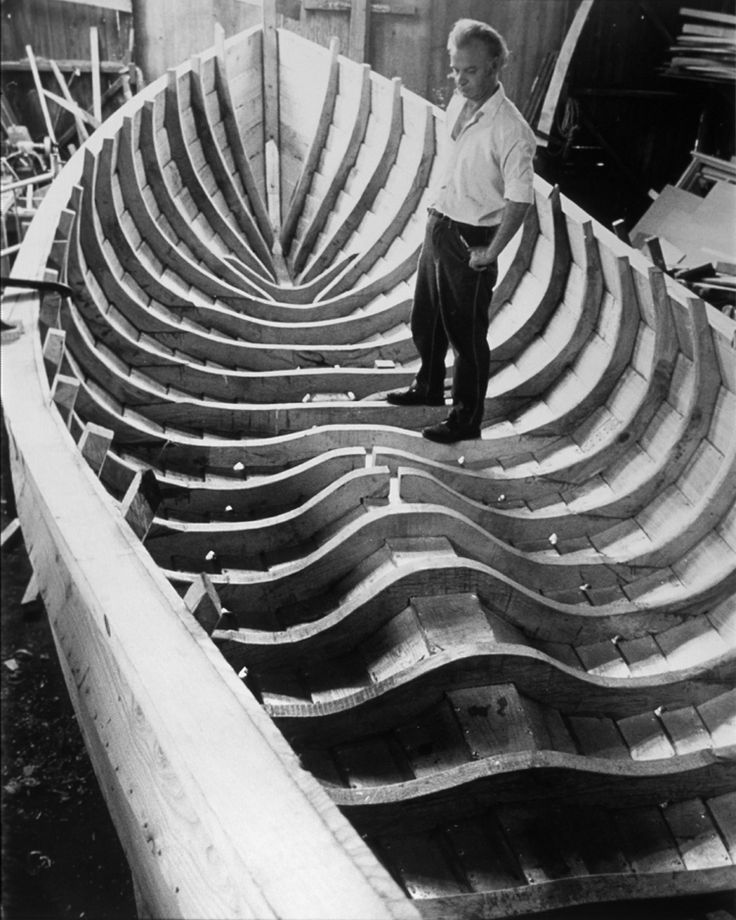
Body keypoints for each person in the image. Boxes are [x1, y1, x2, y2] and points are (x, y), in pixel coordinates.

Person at [387, 19, 536, 443]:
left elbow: (520, 200)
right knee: (426, 319)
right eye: (455, 69)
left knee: (466, 335)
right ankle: (428, 386)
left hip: (472, 236)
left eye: (469, 71)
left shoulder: (511, 130)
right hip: (442, 223)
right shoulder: (459, 103)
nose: (459, 79)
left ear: (494, 67)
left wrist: (490, 252)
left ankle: (466, 419)